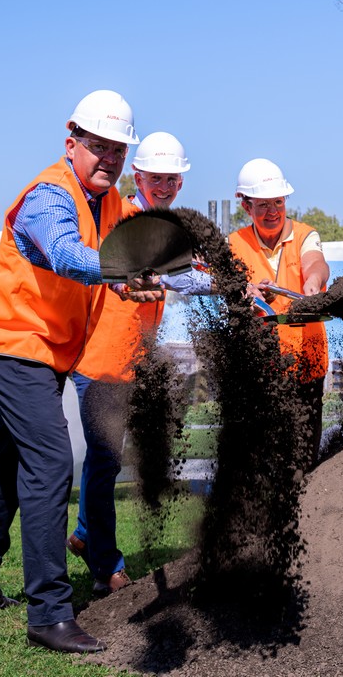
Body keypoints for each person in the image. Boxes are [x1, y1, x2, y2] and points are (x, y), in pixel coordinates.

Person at [0, 89, 155, 654]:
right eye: (98, 147)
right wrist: (122, 270)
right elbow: (65, 255)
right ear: (72, 143)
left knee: (13, 456)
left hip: (48, 348)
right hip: (11, 343)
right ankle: (49, 613)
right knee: (50, 462)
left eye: (117, 150)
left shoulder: (112, 206)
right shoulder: (50, 197)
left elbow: (153, 261)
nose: (108, 158)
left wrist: (222, 280)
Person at [65, 131, 211, 595]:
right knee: (106, 461)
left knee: (104, 461)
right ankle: (108, 569)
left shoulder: (162, 224)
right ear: (138, 176)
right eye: (156, 177)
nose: (165, 185)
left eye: (173, 178)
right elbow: (177, 278)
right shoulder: (123, 217)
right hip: (102, 362)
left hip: (132, 361)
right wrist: (224, 283)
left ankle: (87, 535)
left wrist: (233, 284)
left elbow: (182, 275)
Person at [228, 158, 330, 470]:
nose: (272, 211)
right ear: (247, 207)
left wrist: (314, 280)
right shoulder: (234, 244)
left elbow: (315, 262)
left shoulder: (304, 235)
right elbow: (231, 287)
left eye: (278, 202)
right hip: (259, 369)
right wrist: (246, 292)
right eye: (263, 205)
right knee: (262, 458)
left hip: (306, 363)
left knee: (303, 459)